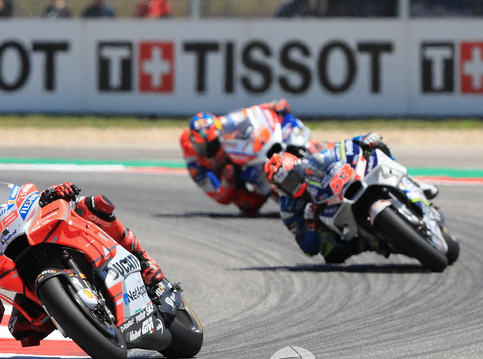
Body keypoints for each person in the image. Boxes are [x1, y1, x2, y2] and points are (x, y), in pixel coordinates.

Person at [0, 182, 165, 347]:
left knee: (93, 205)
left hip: (39, 241)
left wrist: (52, 193)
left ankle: (143, 260)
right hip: (28, 283)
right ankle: (80, 320)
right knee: (22, 331)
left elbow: (25, 200)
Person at [264, 133, 439, 264]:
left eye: (292, 178)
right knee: (331, 252)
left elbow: (339, 147)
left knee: (377, 149)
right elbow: (308, 249)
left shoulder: (311, 160)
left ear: (299, 168)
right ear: (279, 189)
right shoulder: (287, 209)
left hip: (342, 187)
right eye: (286, 184)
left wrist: (362, 140)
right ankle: (371, 241)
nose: (292, 185)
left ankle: (410, 182)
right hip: (332, 221)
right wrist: (310, 224)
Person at [180, 98, 294, 216]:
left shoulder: (220, 124)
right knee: (249, 205)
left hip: (237, 154)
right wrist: (227, 183)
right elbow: (218, 197)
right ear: (192, 143)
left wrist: (271, 106)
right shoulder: (195, 165)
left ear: (219, 134)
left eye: (213, 144)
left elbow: (248, 113)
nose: (209, 151)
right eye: (202, 147)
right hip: (227, 174)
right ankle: (268, 191)